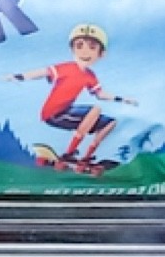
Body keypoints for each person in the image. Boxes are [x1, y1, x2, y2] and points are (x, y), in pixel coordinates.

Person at [9, 23, 137, 171]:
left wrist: (122, 99)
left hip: (69, 112)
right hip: (54, 114)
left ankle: (86, 157)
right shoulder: (66, 68)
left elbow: (100, 94)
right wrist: (20, 76)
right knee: (95, 110)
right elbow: (43, 72)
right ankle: (69, 153)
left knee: (110, 123)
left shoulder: (90, 76)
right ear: (72, 49)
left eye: (92, 47)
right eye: (79, 46)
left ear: (101, 54)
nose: (85, 51)